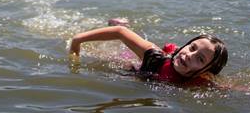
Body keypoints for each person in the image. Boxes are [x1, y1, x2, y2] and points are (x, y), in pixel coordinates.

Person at [69, 19, 228, 86]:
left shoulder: (201, 82)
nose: (189, 55)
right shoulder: (155, 56)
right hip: (135, 64)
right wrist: (77, 40)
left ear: (206, 72)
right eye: (192, 48)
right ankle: (114, 21)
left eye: (200, 59)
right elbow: (119, 32)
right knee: (108, 56)